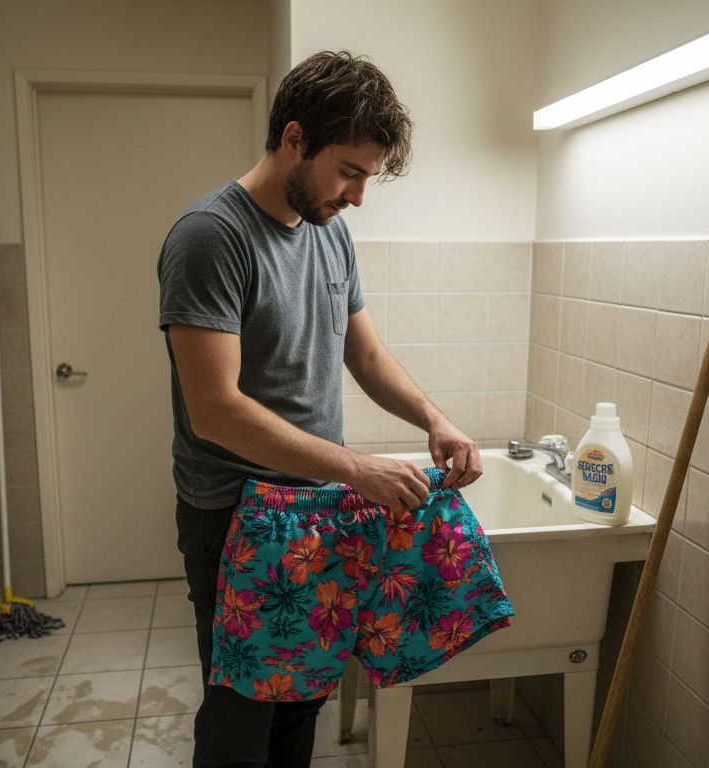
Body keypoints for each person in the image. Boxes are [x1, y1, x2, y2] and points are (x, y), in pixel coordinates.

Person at [157, 50, 483, 768]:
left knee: (301, 696)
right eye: (350, 170)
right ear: (294, 138)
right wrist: (356, 468)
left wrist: (434, 417)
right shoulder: (211, 236)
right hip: (236, 513)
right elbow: (214, 411)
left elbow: (363, 356)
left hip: (315, 508)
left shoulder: (330, 230)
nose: (358, 195)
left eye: (369, 176)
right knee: (243, 715)